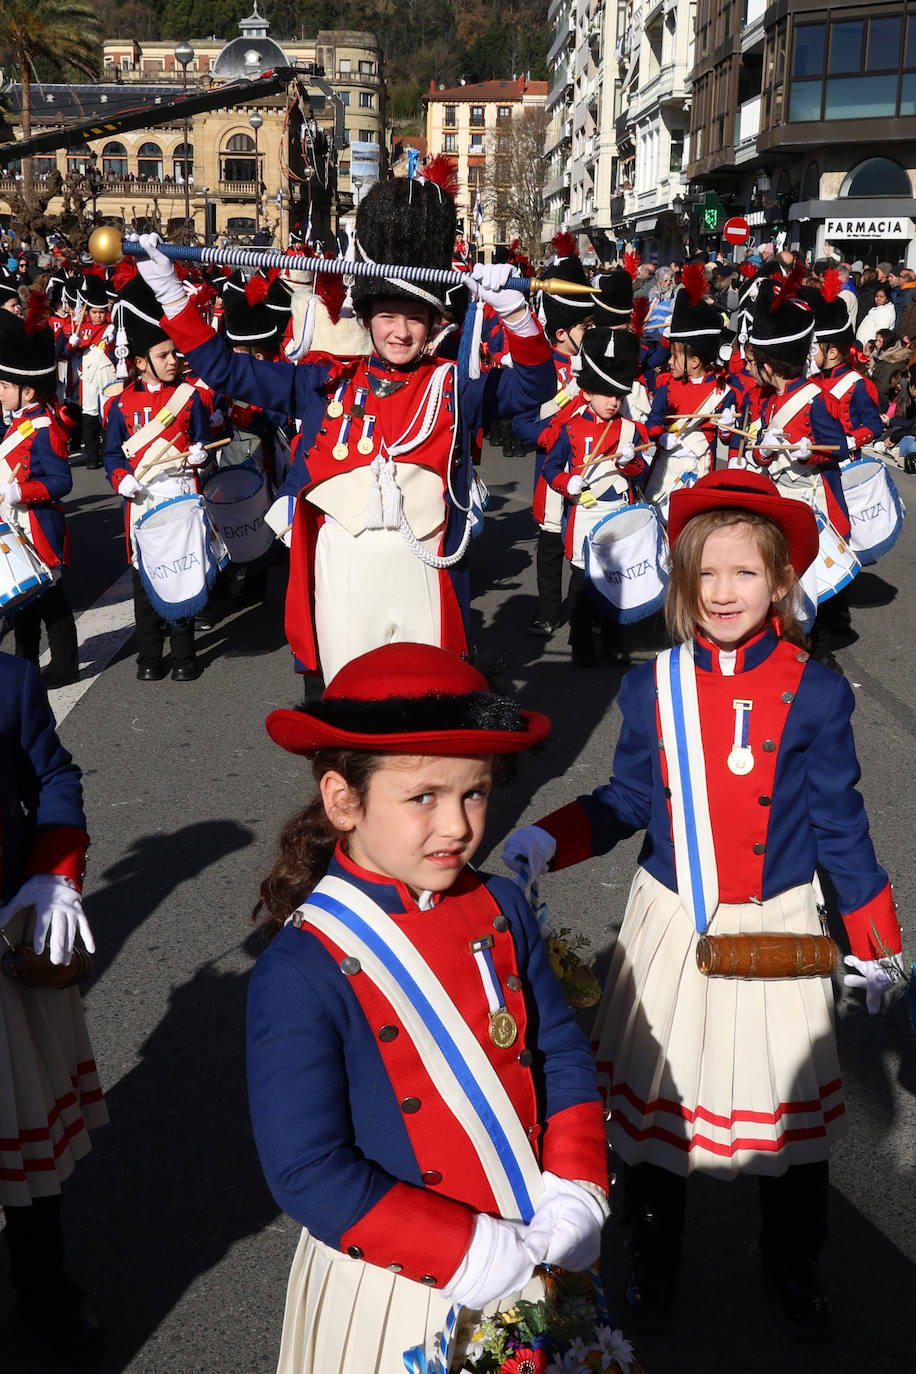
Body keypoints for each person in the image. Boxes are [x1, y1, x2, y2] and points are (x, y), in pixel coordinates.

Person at [502, 468, 903, 1340]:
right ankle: (655, 1250)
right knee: (659, 1114)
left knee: (788, 1123)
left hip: (781, 924)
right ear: (682, 582)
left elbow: (841, 824)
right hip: (673, 924)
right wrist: (547, 838)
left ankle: (793, 1259)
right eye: (706, 575)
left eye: (745, 574)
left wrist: (875, 938)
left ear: (783, 582)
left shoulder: (819, 690)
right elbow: (629, 799)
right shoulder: (653, 686)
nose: (724, 593)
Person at [246, 642, 610, 1374]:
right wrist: (470, 1255)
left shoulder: (502, 904)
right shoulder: (300, 967)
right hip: (402, 1282)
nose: (458, 825)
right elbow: (307, 1168)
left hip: (536, 1228)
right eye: (424, 797)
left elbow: (559, 1052)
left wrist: (576, 1188)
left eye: (474, 793)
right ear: (343, 800)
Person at [132, 169, 554, 684]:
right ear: (369, 315)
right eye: (388, 316)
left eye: (416, 318)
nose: (401, 331)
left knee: (427, 701)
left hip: (424, 572)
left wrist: (518, 318)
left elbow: (533, 388)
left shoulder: (452, 388)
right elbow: (224, 370)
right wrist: (169, 292)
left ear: (434, 322)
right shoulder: (321, 381)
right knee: (346, 703)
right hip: (341, 572)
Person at [0, 654, 107, 1359]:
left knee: (32, 1161)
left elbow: (53, 778)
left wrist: (54, 874)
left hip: (7, 945)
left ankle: (44, 1290)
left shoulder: (7, 681)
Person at [102, 275, 214, 682]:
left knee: (180, 576)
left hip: (180, 495)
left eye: (175, 353)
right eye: (164, 355)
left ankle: (185, 656)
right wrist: (120, 480)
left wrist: (200, 453)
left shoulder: (188, 396)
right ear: (139, 362)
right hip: (142, 498)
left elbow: (201, 436)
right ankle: (149, 655)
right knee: (144, 582)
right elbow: (113, 453)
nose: (174, 361)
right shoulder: (120, 404)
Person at [541, 326, 648, 666]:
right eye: (605, 393)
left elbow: (640, 472)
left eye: (618, 393)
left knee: (616, 582)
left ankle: (614, 640)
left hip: (618, 514)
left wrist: (632, 464)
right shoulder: (570, 427)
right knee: (582, 585)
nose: (613, 400)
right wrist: (566, 483)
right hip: (585, 514)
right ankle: (580, 640)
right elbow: (551, 468)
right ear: (586, 392)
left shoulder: (631, 430)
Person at [0, 299, 80, 689]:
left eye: (4, 386)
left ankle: (65, 666)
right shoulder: (15, 422)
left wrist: (20, 490)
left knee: (52, 603)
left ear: (28, 391)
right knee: (24, 606)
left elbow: (62, 482)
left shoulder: (46, 427)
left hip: (39, 525)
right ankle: (27, 667)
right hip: (17, 526)